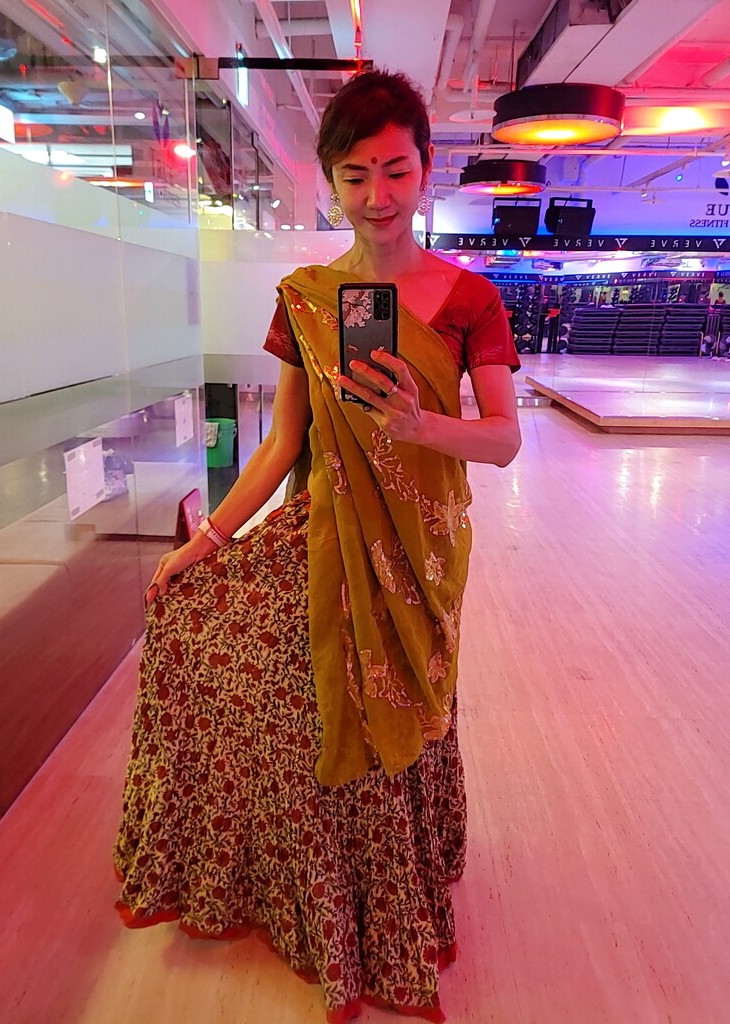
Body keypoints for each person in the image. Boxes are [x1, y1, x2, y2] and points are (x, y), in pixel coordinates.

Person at [113, 69, 521, 1022]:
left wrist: (420, 427)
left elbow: (503, 440)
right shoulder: (307, 299)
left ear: (427, 167)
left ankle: (391, 901)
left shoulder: (471, 300)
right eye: (355, 175)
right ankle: (320, 902)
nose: (378, 196)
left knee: (397, 727)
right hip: (323, 540)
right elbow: (282, 446)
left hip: (420, 560)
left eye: (396, 170)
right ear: (331, 181)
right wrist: (207, 542)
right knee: (315, 713)